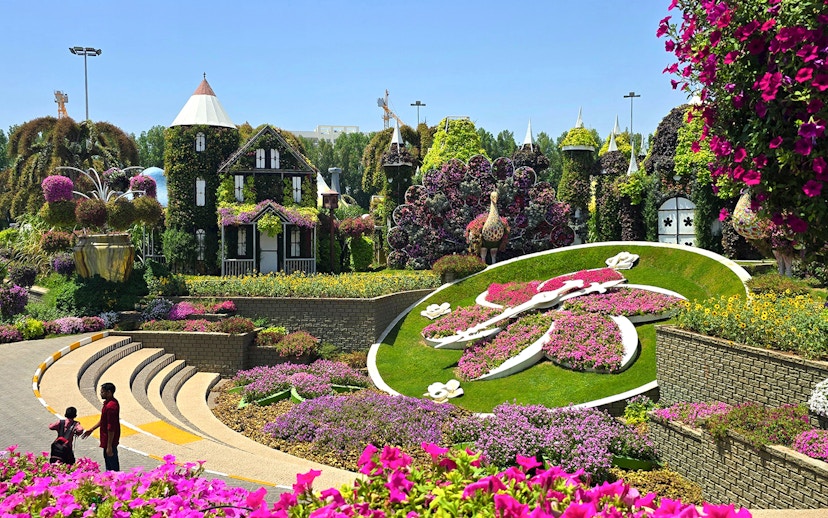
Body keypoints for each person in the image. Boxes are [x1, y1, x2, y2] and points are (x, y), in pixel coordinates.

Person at [81, 382, 120, 471]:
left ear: (109, 392)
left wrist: (109, 446)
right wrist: (91, 429)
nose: (100, 394)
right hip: (107, 441)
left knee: (112, 468)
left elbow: (111, 427)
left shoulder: (111, 407)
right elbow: (103, 420)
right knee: (109, 464)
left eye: (102, 392)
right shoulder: (109, 404)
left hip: (109, 442)